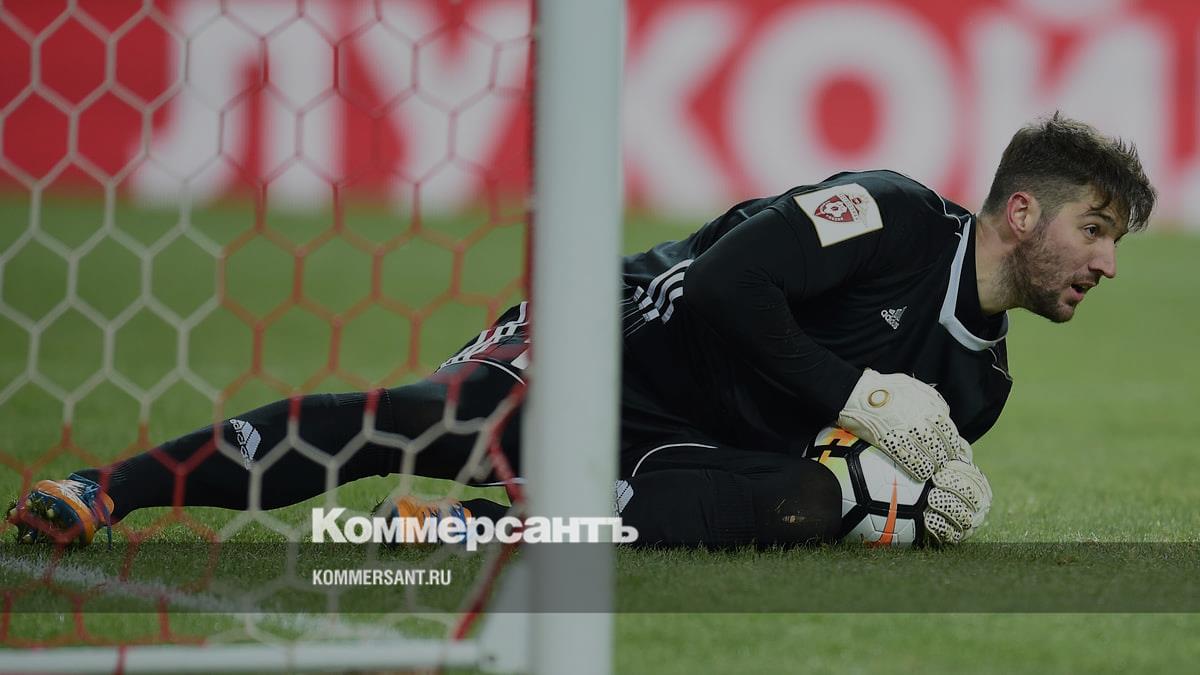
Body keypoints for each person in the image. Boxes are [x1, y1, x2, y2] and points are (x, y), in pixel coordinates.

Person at [7, 112, 1155, 549]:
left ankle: (476, 533)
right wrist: (861, 394)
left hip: (687, 447)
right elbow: (725, 291)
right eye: (1095, 230)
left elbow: (840, 472)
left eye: (1117, 244)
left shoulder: (980, 388)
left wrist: (911, 517)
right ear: (1021, 212)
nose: (1106, 264)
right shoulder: (892, 214)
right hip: (611, 347)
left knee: (803, 506)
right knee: (418, 421)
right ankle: (109, 490)